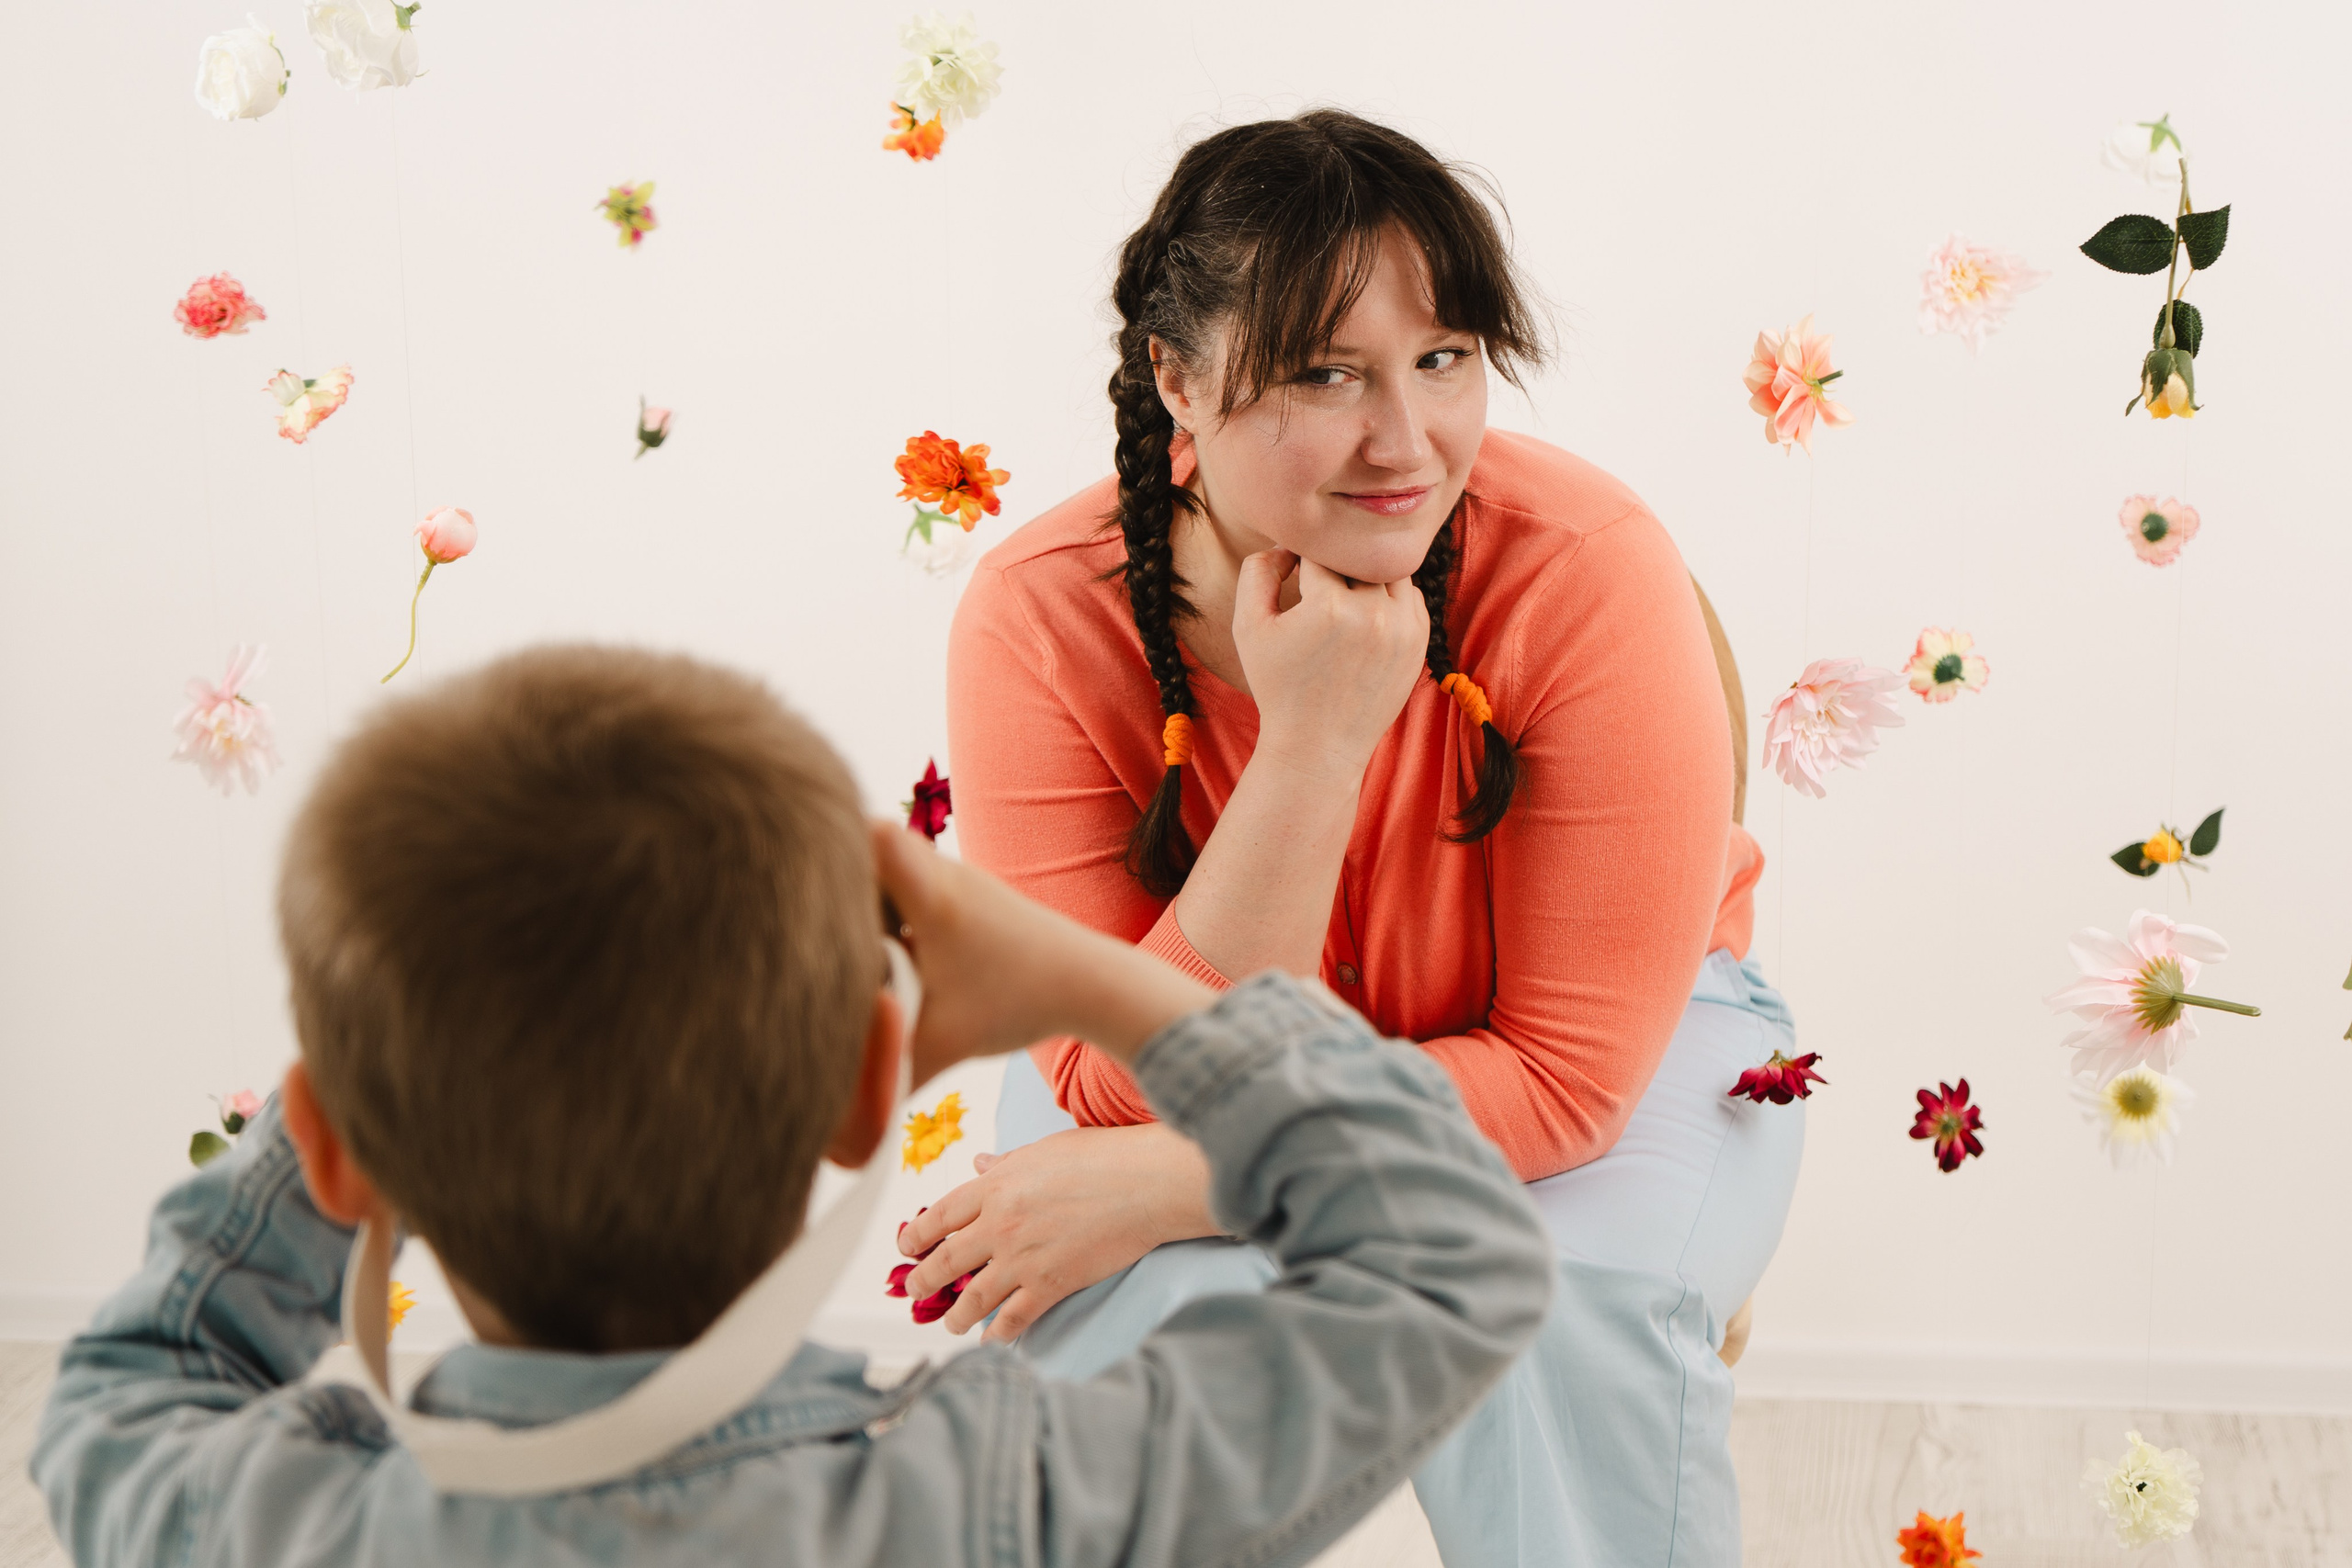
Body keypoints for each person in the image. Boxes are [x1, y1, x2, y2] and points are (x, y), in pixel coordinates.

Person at [32, 645, 1553, 1566]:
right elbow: (1448, 1260)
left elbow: (140, 1368)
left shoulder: (253, 1526)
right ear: (863, 1092)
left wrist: (362, 1086)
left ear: (339, 1151)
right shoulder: (1001, 1504)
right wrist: (1099, 980)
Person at [922, 109, 1804, 1565]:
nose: (1407, 442)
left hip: (1594, 1060)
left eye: (1443, 359)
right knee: (1123, 1332)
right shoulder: (1038, 617)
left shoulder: (1585, 571)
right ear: (1176, 381)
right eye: (1327, 373)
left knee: (1542, 1314)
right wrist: (1313, 744)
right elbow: (1116, 1091)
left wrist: (1197, 1185)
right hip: (1159, 1087)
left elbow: (1569, 1082)